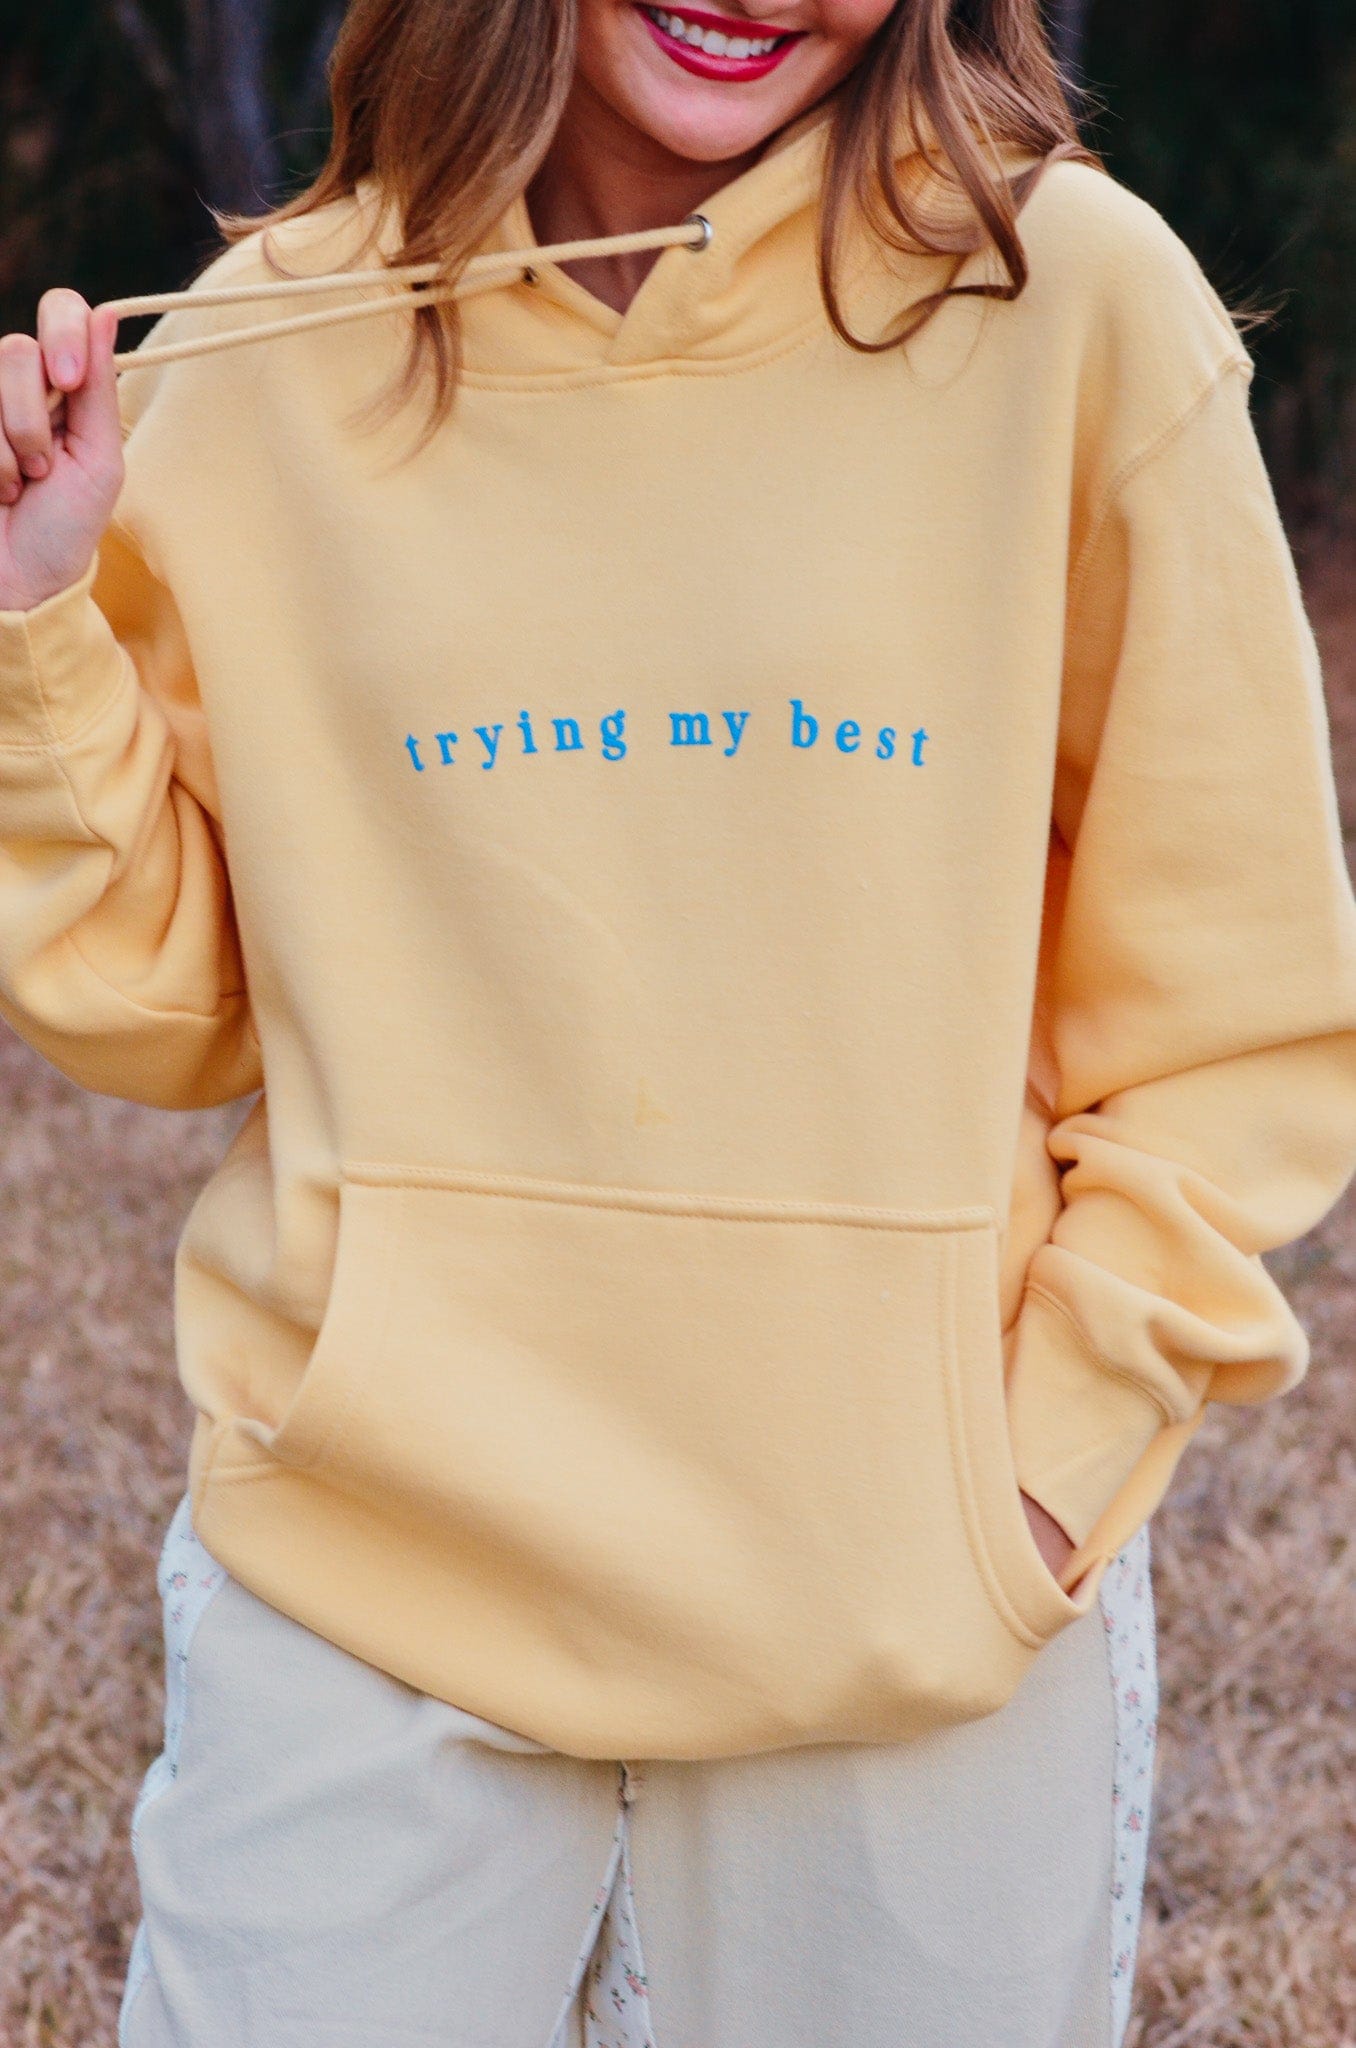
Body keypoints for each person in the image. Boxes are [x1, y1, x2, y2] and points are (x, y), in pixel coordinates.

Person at [2, 0, 1355, 2038]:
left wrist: (1031, 1480)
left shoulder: (1069, 303)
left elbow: (1229, 1012)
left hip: (910, 1607)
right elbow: (164, 997)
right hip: (374, 1573)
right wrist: (34, 617)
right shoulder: (276, 339)